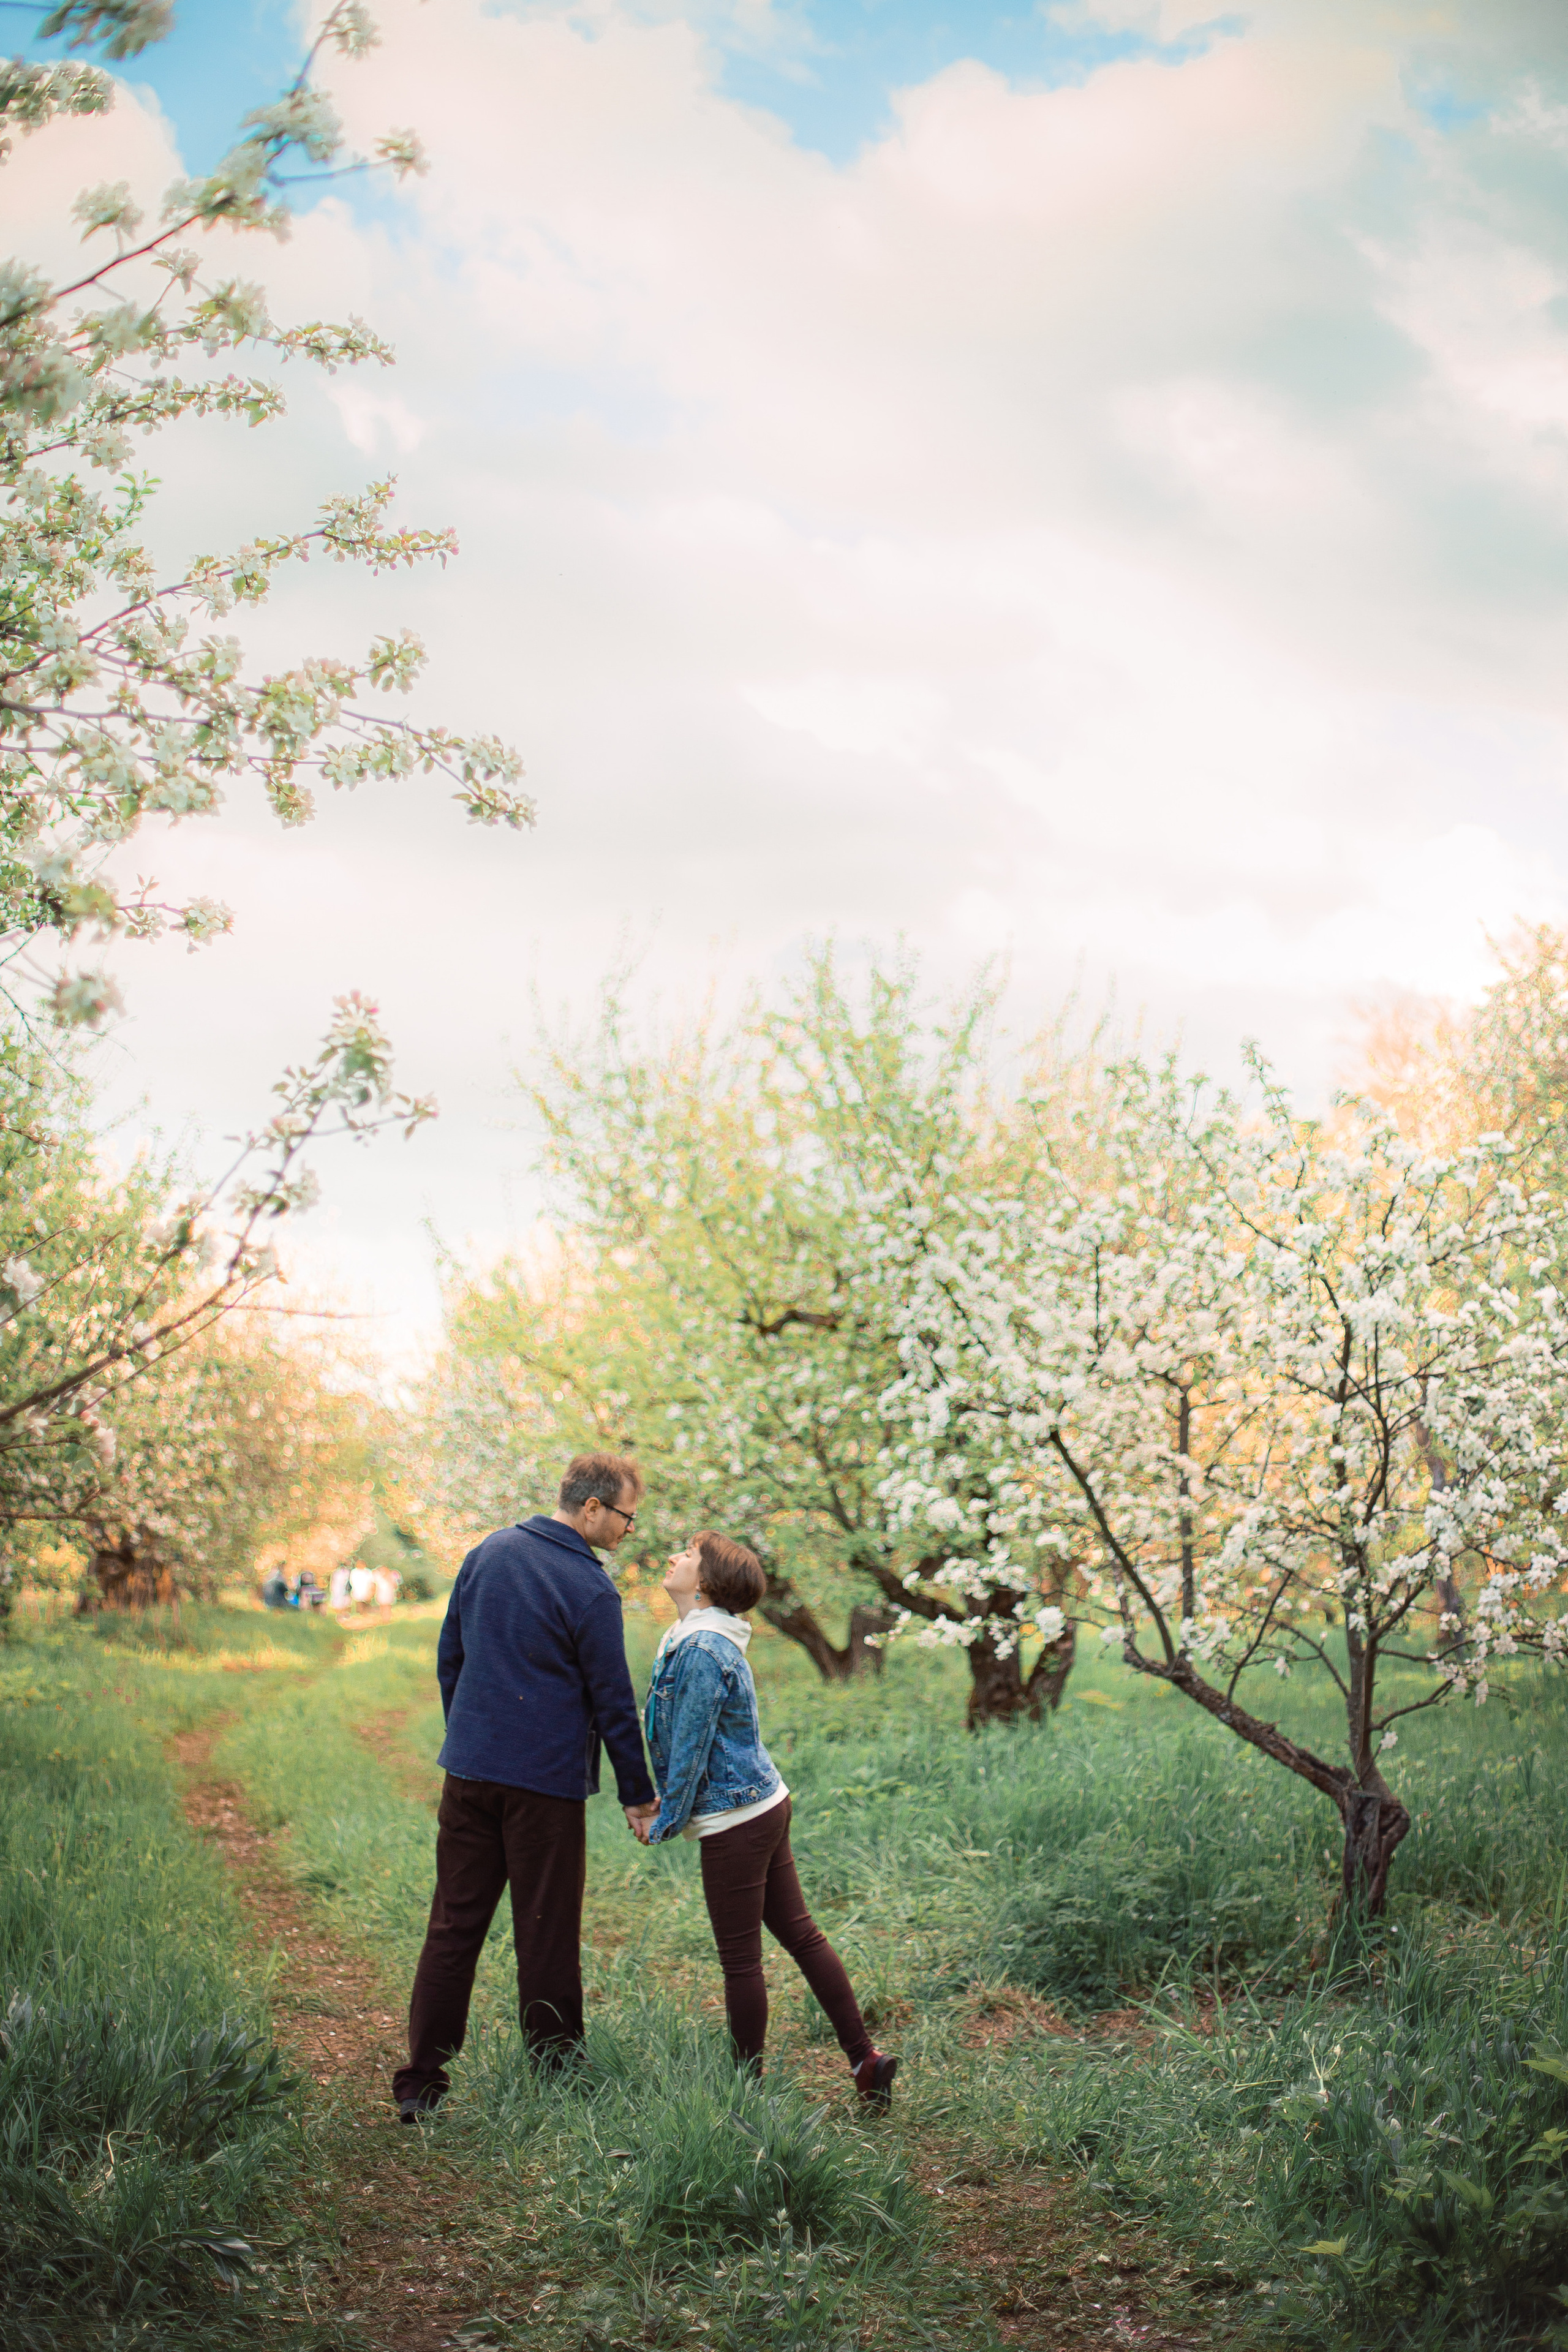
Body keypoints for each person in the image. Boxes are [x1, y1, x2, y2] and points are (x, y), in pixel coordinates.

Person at [393, 1453, 658, 2122]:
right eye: (627, 1514)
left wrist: (475, 1737)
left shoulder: (488, 1552)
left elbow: (449, 1656)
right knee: (546, 1930)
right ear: (591, 1507)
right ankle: (557, 2073)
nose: (631, 1529)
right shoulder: (590, 1590)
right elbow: (612, 1702)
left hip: (471, 1773)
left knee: (453, 1924)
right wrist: (638, 1793)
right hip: (544, 1788)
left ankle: (422, 2080)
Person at [644, 1531, 898, 2108]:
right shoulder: (694, 1636)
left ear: (705, 1582)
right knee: (801, 1934)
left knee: (741, 1960)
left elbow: (689, 1747)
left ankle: (744, 2092)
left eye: (687, 1554)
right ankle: (866, 2059)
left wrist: (664, 1820)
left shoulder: (704, 1650)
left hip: (736, 1816)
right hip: (761, 1803)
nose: (672, 1558)